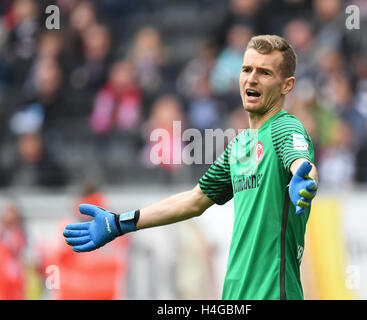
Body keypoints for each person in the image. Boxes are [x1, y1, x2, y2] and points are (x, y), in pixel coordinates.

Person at [63, 35, 318, 300]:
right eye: (246, 69)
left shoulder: (284, 127)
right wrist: (120, 223)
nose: (252, 79)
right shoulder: (240, 145)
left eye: (264, 72)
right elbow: (193, 201)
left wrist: (304, 179)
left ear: (287, 85)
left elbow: (302, 164)